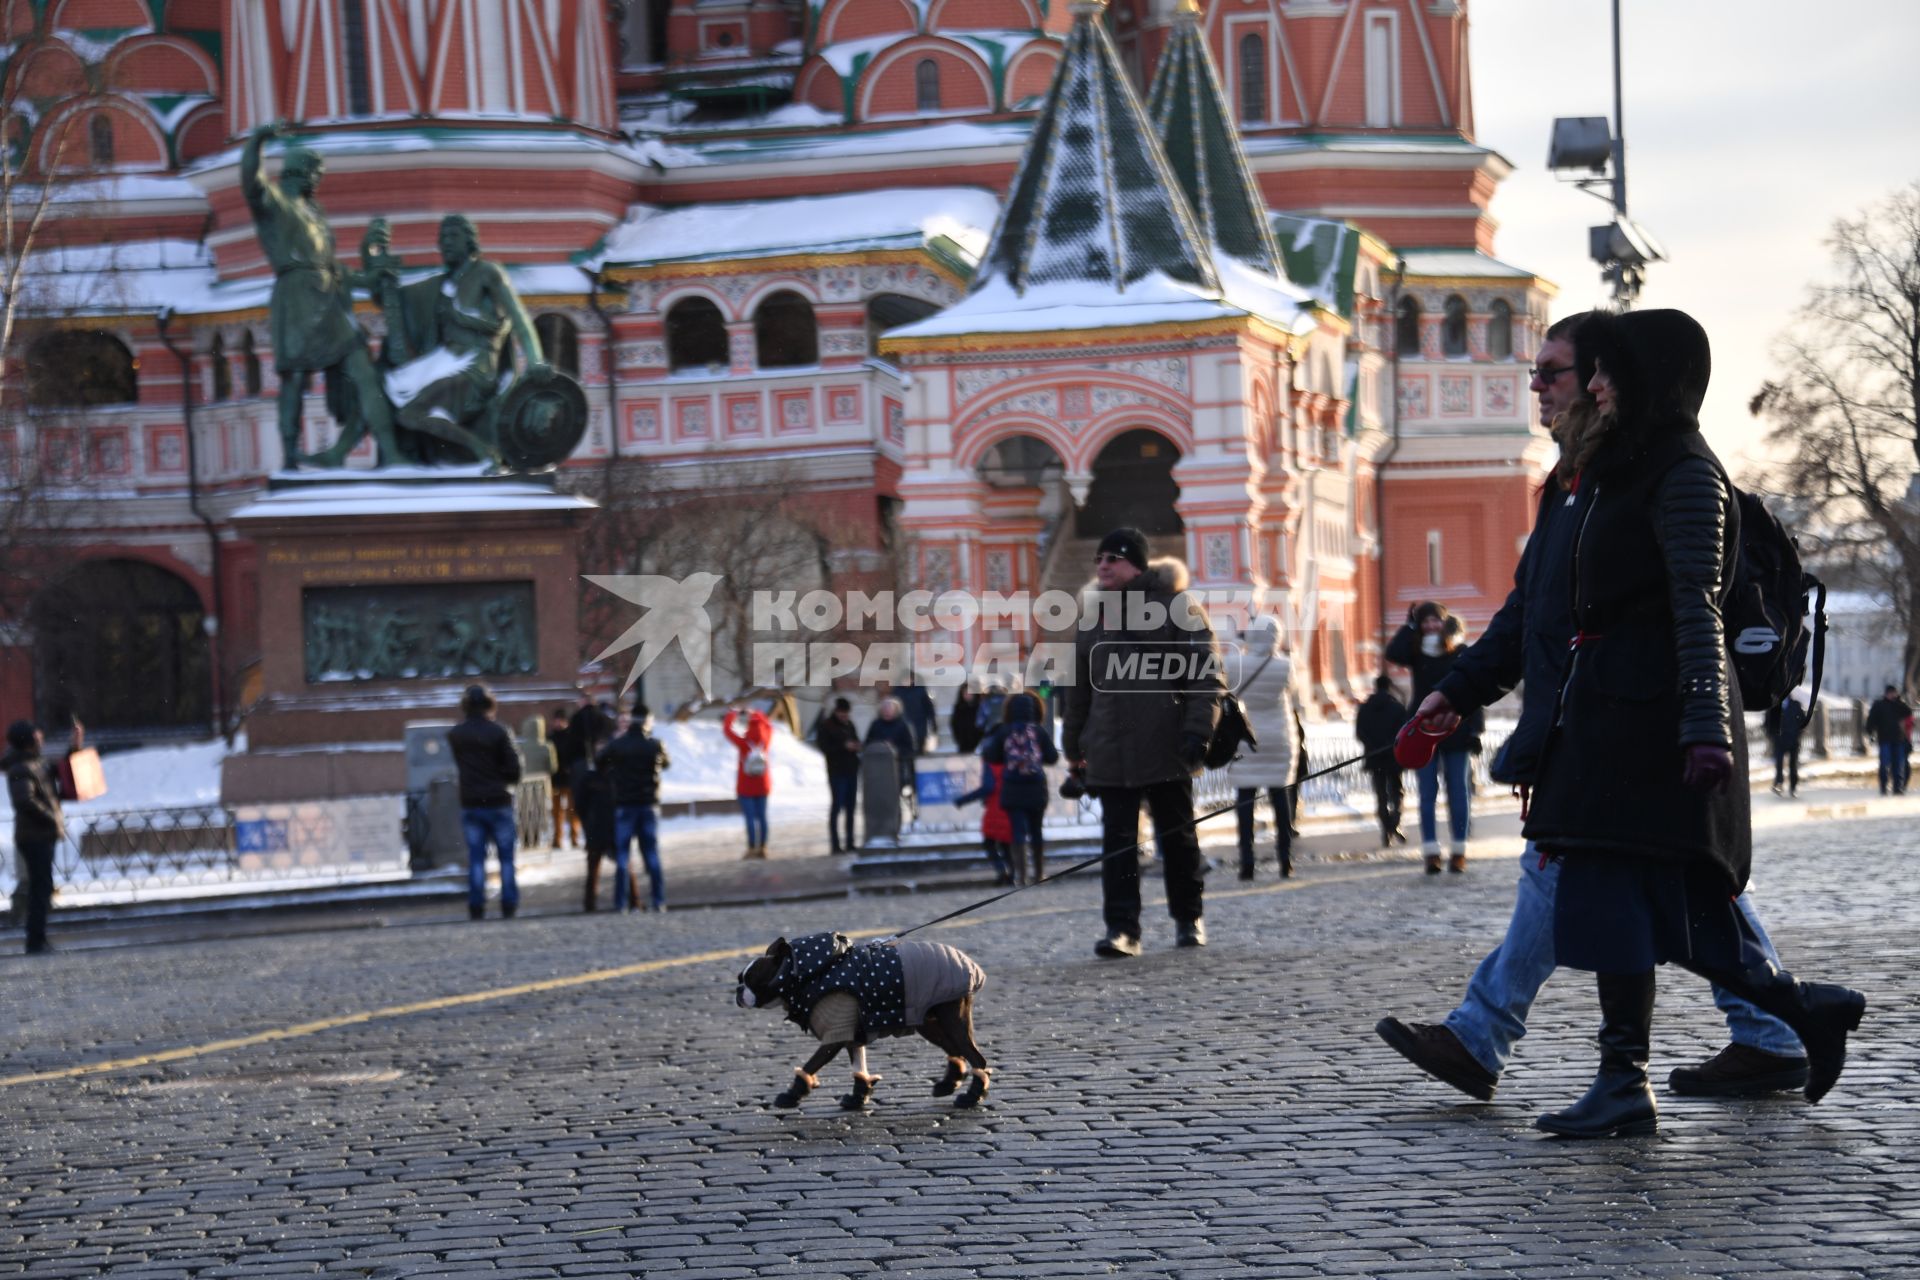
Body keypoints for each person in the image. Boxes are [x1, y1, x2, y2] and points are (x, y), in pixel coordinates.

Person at [1412, 309, 1867, 1138]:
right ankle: (1781, 1020)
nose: (1581, 387)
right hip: (1597, 724)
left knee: (1632, 901)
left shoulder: (1686, 473)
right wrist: (1462, 687)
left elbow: (1698, 608)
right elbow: (1534, 613)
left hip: (1653, 727)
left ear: (1645, 377)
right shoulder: (1593, 477)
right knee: (1644, 905)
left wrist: (1705, 729)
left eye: (1596, 372)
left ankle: (1618, 1069)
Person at [1062, 527, 1224, 956]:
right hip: (1110, 748)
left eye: (1111, 558)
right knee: (1118, 846)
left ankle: (1188, 918)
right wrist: (1073, 749)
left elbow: (1205, 675)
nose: (1102, 566)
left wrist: (1197, 731)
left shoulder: (1177, 607)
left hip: (1166, 744)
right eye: (1098, 559)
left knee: (1178, 838)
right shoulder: (1092, 615)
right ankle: (1123, 929)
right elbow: (1077, 688)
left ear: (1136, 563)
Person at [239, 122, 402, 467]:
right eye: (318, 173)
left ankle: (392, 453)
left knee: (363, 370)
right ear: (304, 172)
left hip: (328, 300)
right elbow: (251, 185)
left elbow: (333, 269)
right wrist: (258, 140)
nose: (319, 180)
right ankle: (289, 459)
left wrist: (368, 272)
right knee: (295, 378)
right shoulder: (277, 204)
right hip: (297, 301)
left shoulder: (315, 215)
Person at [1384, 601, 1482, 873]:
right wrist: (1409, 625)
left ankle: (1459, 851)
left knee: (1459, 793)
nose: (1430, 626)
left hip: (1456, 727)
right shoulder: (1416, 653)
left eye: (1434, 621)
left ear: (1444, 622)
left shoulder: (1460, 651)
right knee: (1427, 793)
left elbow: (1476, 690)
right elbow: (1393, 653)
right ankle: (1431, 852)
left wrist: (1476, 730)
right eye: (1425, 621)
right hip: (1422, 730)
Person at [1223, 615, 1296, 880]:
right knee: (1280, 799)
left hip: (1245, 738)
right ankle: (1285, 859)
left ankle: (1247, 860)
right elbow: (1293, 693)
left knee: (1245, 801)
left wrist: (1236, 643)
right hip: (1277, 738)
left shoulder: (1233, 664)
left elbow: (1224, 689)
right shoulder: (1286, 666)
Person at [4, 717, 83, 955]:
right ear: (28, 740)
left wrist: (75, 746)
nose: (41, 738)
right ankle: (35, 942)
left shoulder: (34, 763)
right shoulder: (21, 768)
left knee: (42, 886)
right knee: (40, 887)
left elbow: (60, 771)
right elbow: (24, 801)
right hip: (33, 836)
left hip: (40, 835)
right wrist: (50, 816)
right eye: (37, 735)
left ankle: (38, 939)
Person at [967, 690, 1060, 885]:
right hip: (1036, 788)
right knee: (1036, 831)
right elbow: (1053, 758)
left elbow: (991, 756)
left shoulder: (1004, 731)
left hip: (1012, 789)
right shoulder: (1038, 731)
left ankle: (1021, 875)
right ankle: (1039, 873)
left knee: (1017, 832)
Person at [447, 684, 522, 921]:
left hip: (471, 802)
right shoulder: (499, 732)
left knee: (476, 859)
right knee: (506, 858)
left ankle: (476, 905)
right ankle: (508, 904)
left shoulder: (456, 734)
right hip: (498, 801)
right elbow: (514, 770)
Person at [599, 702, 670, 912]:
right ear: (647, 720)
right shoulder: (654, 744)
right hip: (648, 804)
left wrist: (615, 774)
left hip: (624, 805)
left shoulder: (618, 745)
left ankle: (620, 903)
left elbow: (600, 761)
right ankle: (659, 900)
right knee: (651, 854)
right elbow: (666, 763)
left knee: (622, 855)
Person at [570, 729, 636, 912]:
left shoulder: (592, 776)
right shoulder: (614, 775)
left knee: (605, 866)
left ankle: (594, 903)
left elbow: (580, 803)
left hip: (601, 825)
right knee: (617, 864)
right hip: (607, 825)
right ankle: (631, 901)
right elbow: (581, 803)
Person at [1355, 676, 1407, 847]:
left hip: (1374, 757)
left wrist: (1372, 745)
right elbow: (1404, 732)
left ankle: (1387, 829)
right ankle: (1394, 823)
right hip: (1393, 756)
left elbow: (1360, 732)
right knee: (1396, 792)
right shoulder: (1397, 707)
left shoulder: (1365, 708)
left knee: (1381, 795)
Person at [723, 706, 775, 859]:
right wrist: (757, 713)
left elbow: (727, 730)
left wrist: (733, 714)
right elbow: (769, 725)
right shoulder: (766, 739)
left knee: (750, 818)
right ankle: (763, 847)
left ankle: (752, 848)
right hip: (763, 784)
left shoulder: (744, 742)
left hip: (745, 785)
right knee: (763, 817)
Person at [815, 697, 863, 853]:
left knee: (851, 808)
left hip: (851, 770)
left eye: (846, 713)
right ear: (836, 712)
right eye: (842, 713)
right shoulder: (827, 726)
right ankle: (835, 844)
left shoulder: (850, 725)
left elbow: (856, 740)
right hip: (836, 771)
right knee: (837, 807)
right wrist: (843, 746)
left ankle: (850, 841)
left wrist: (856, 746)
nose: (844, 716)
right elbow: (824, 747)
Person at [864, 697, 919, 820]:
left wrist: (894, 749)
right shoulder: (875, 725)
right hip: (878, 770)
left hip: (897, 769)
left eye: (889, 709)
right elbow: (868, 744)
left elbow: (910, 748)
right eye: (884, 709)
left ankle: (896, 823)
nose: (887, 712)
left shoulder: (903, 725)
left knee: (895, 799)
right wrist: (881, 747)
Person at [1866, 684, 1912, 795]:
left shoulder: (1899, 705)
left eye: (1894, 693)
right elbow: (1871, 720)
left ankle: (1898, 788)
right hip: (1884, 739)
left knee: (1898, 765)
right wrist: (1870, 733)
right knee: (1884, 764)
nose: (1892, 695)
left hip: (1899, 739)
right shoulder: (1879, 705)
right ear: (1886, 694)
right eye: (1890, 693)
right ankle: (1883, 786)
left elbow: (1908, 712)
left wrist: (1900, 700)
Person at [1764, 693, 1808, 798]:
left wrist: (1797, 735)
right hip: (1779, 741)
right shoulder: (1774, 706)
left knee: (1793, 766)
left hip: (1793, 741)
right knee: (1779, 764)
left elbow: (1802, 721)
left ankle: (1793, 787)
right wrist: (1772, 736)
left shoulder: (1796, 705)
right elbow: (1767, 723)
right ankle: (1779, 783)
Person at [549, 707, 581, 849]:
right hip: (555, 779)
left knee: (572, 810)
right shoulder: (550, 737)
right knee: (556, 812)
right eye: (556, 720)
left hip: (570, 779)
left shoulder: (572, 737)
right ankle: (558, 838)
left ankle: (574, 837)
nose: (558, 723)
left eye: (560, 720)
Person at [949, 684, 983, 755]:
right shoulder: (959, 708)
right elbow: (954, 724)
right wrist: (959, 739)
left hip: (978, 744)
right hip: (963, 744)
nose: (967, 695)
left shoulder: (980, 707)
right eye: (965, 693)